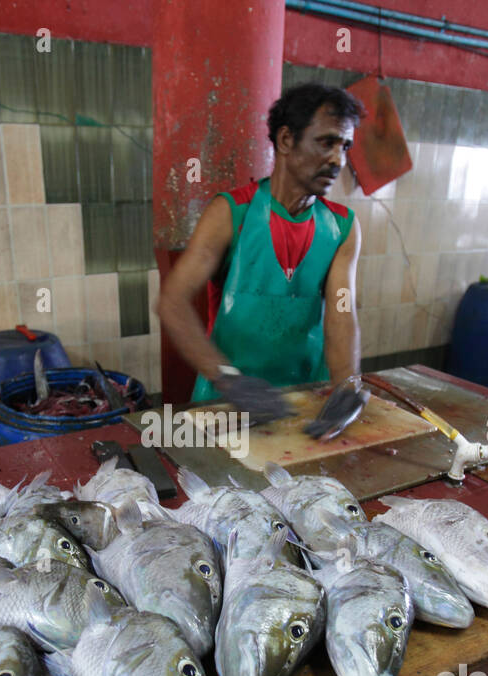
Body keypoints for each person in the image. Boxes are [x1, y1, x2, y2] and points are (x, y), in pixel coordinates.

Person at [158, 83, 369, 438]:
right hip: (227, 402)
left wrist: (346, 385)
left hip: (305, 404)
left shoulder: (342, 227)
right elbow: (172, 302)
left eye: (344, 146)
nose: (338, 160)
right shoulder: (231, 213)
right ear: (286, 140)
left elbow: (341, 312)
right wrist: (226, 378)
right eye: (326, 142)